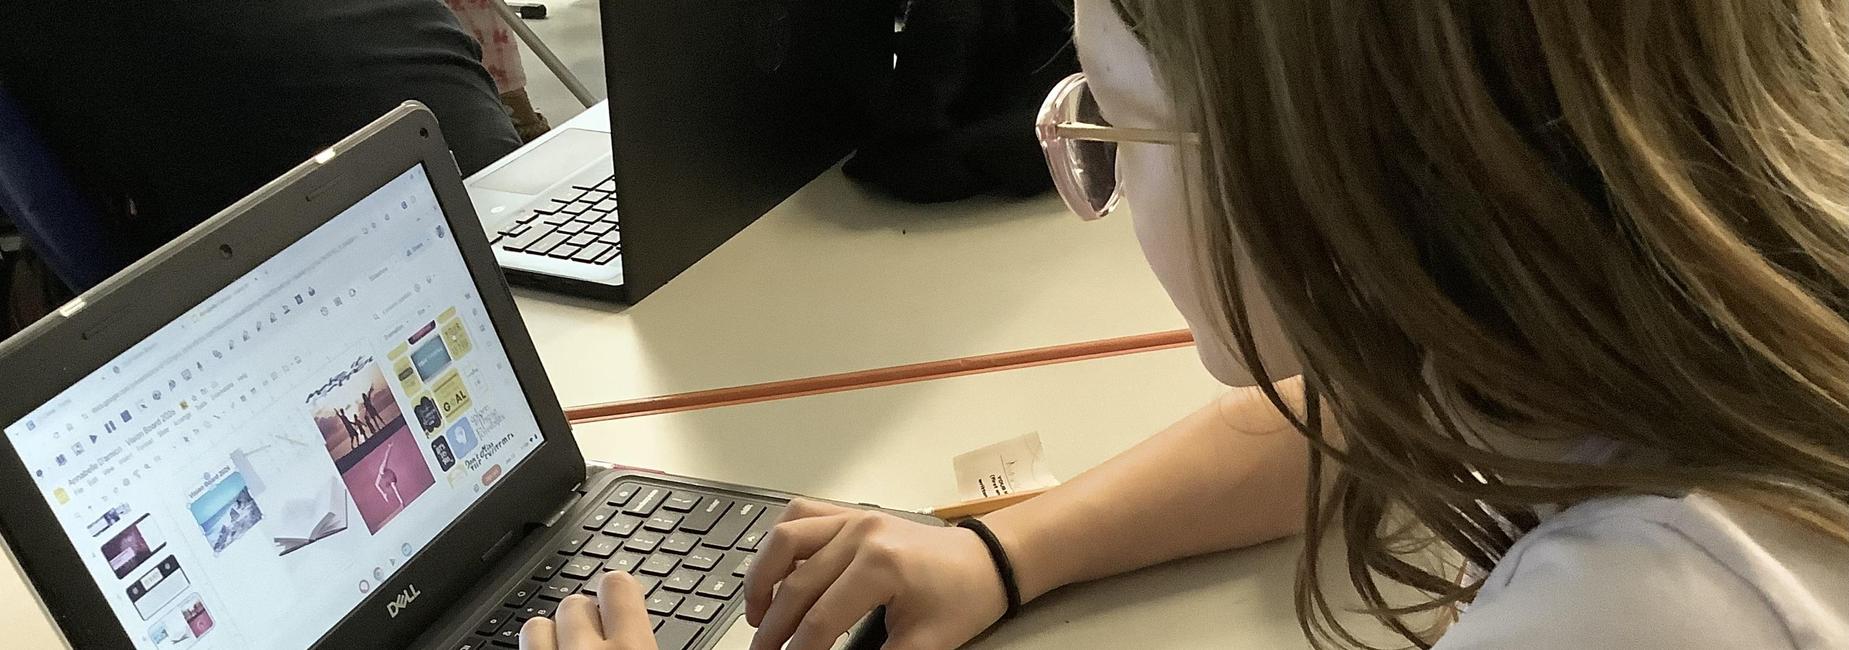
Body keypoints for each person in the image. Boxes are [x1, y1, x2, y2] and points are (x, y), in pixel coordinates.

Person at [520, 1, 1849, 649]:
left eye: (1107, 121)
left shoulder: (1649, 609)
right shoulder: (1666, 311)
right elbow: (1352, 410)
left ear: (1320, 173)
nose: (1097, 188)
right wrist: (998, 551)